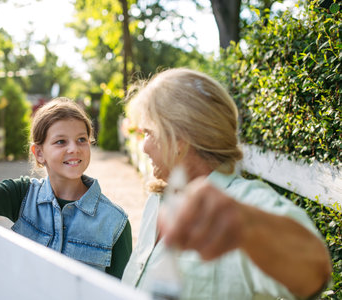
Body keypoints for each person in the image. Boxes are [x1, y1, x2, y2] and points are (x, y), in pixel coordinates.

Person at [121, 68, 332, 299]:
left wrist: (246, 223)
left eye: (150, 133)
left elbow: (314, 271)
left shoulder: (244, 203)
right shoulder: (158, 198)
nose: (144, 147)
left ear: (179, 138)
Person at [0, 97, 132, 279]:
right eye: (61, 141)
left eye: (81, 139)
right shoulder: (22, 195)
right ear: (39, 153)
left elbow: (125, 291)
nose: (74, 148)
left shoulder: (115, 223)